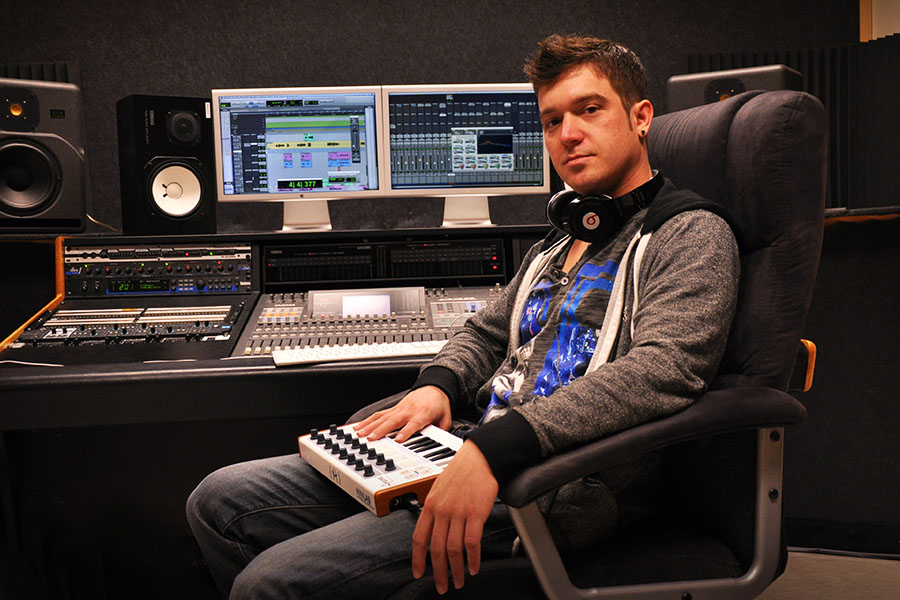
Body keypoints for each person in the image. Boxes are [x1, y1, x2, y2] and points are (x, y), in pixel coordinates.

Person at [186, 33, 739, 599]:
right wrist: (440, 387)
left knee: (267, 584)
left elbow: (663, 371)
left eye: (589, 109)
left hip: (557, 485)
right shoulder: (561, 241)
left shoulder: (690, 233)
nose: (568, 134)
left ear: (641, 117)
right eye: (551, 121)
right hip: (476, 449)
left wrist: (495, 452)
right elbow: (485, 331)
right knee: (217, 501)